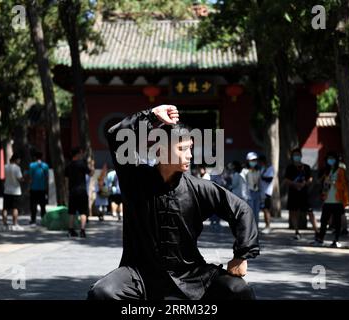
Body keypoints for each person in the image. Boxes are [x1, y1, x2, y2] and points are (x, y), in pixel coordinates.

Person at [88, 105, 259, 300]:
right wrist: (151, 115)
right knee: (102, 293)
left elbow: (242, 210)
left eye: (190, 149)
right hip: (139, 274)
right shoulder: (135, 179)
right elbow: (116, 134)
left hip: (192, 274)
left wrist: (241, 255)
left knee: (239, 290)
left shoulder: (199, 188)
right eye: (182, 149)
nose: (190, 155)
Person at [313, 152, 349, 248]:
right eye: (329, 158)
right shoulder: (326, 171)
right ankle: (320, 239)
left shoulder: (341, 170)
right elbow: (320, 182)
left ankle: (336, 240)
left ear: (336, 160)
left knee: (337, 222)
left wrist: (334, 183)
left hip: (338, 200)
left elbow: (345, 184)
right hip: (327, 200)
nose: (330, 160)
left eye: (332, 158)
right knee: (324, 221)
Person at [284, 148, 319, 240]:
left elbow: (310, 179)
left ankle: (317, 231)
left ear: (301, 156)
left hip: (304, 194)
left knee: (310, 212)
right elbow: (286, 180)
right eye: (295, 155)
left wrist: (304, 184)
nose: (297, 157)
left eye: (298, 155)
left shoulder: (306, 167)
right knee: (293, 212)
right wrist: (295, 184)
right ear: (292, 157)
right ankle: (296, 231)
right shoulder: (289, 167)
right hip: (293, 193)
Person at [65, 147, 94, 238]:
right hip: (81, 191)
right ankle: (82, 231)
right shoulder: (82, 164)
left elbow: (66, 180)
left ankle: (70, 230)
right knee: (83, 212)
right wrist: (92, 166)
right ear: (77, 154)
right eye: (80, 154)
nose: (81, 155)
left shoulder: (68, 165)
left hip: (72, 191)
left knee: (71, 212)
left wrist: (67, 191)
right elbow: (91, 173)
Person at [26, 151, 49, 226]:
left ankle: (33, 220)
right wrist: (46, 188)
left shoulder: (32, 165)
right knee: (43, 205)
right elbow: (47, 178)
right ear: (42, 157)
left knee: (33, 205)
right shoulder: (45, 166)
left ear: (35, 157)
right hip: (42, 188)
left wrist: (28, 187)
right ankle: (44, 220)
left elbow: (30, 178)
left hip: (33, 188)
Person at [2, 153, 24, 231]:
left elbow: (4, 177)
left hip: (7, 189)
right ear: (16, 159)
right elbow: (20, 178)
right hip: (16, 191)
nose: (19, 161)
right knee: (15, 208)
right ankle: (15, 224)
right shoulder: (17, 168)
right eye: (19, 159)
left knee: (5, 208)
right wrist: (23, 179)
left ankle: (4, 224)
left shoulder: (5, 166)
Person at [241, 152, 261, 227]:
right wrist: (244, 196)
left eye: (255, 160)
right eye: (252, 160)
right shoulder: (244, 171)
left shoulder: (258, 171)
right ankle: (249, 229)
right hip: (248, 193)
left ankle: (256, 229)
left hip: (256, 193)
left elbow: (259, 183)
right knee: (249, 213)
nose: (254, 162)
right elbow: (243, 184)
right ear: (248, 161)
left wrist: (261, 195)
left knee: (256, 212)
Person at [258, 155, 274, 234]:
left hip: (267, 192)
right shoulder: (262, 168)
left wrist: (261, 177)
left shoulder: (270, 168)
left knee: (266, 210)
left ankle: (268, 226)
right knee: (264, 210)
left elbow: (270, 179)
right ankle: (266, 226)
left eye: (260, 162)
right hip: (262, 192)